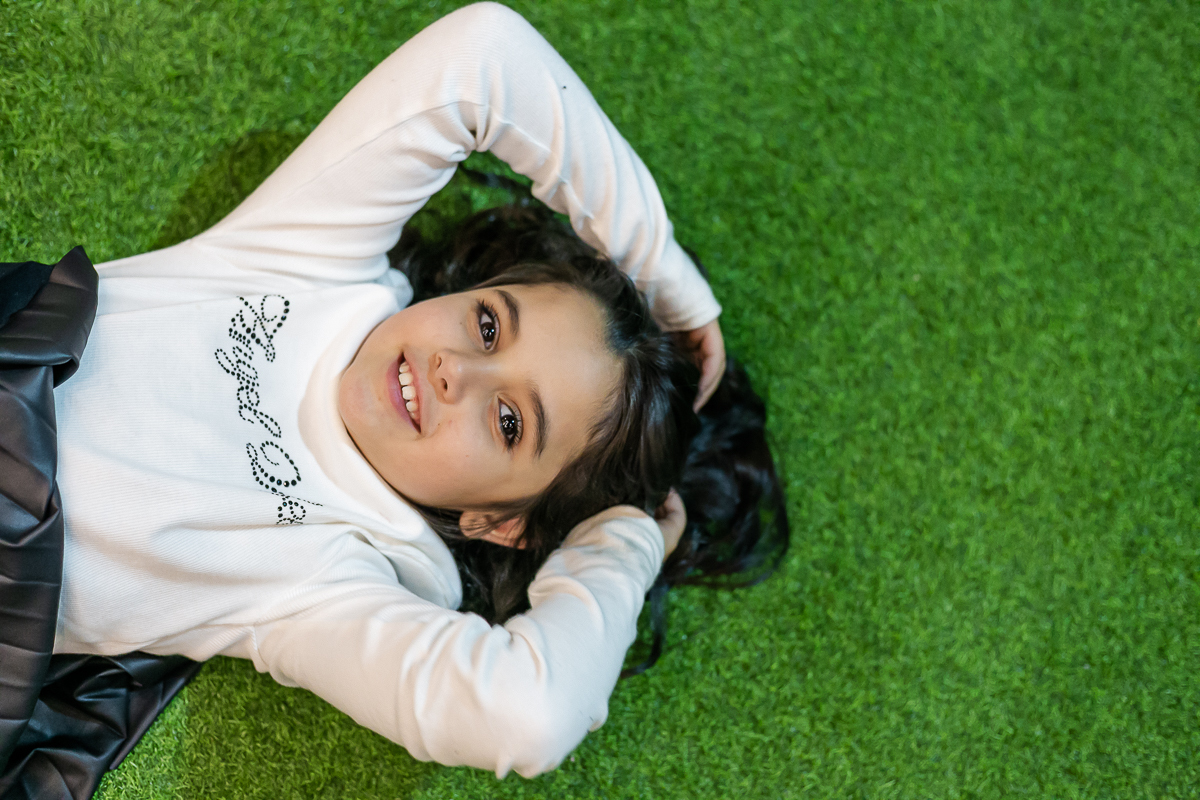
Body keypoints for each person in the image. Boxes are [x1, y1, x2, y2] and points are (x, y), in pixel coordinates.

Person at [43, 1, 786, 781]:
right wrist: (658, 265)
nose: (455, 370)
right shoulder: (311, 260)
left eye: (507, 421)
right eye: (491, 326)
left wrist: (625, 541)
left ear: (499, 524)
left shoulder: (335, 582)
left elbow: (526, 715)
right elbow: (484, 53)